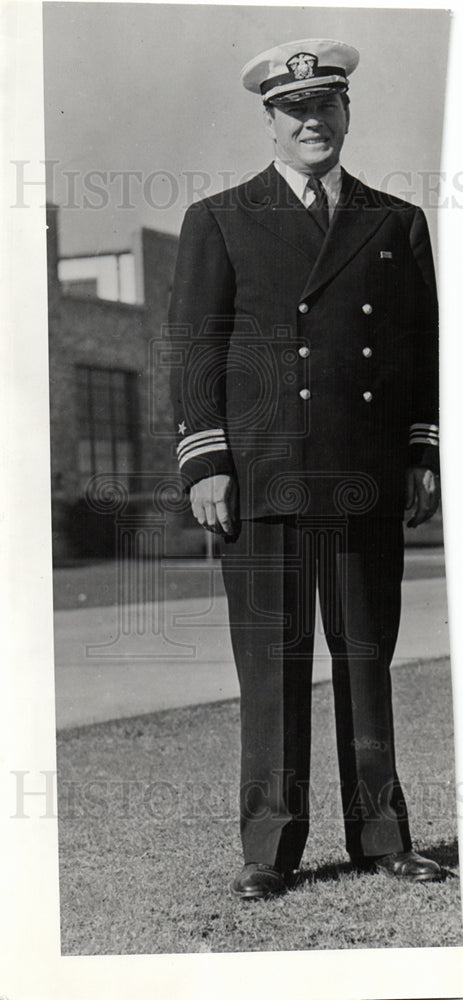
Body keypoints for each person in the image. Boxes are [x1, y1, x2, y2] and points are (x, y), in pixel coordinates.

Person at [169, 37, 444, 899]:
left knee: (365, 658)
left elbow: (415, 351)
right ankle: (270, 848)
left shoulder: (394, 221)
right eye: (295, 110)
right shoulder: (219, 217)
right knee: (274, 667)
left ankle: (380, 835)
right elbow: (194, 350)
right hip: (261, 478)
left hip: (361, 473)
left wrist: (417, 453)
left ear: (346, 113)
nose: (312, 120)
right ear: (270, 122)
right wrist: (204, 461)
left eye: (326, 105)